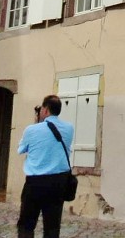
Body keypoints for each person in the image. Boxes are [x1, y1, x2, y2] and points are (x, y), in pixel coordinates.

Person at [16, 95, 75, 238]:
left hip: (35, 182)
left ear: (46, 110)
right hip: (58, 182)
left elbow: (21, 149)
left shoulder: (31, 130)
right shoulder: (69, 128)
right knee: (52, 227)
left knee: (26, 224)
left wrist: (36, 123)